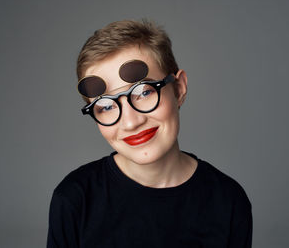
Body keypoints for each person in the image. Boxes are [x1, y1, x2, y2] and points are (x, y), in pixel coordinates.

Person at [47, 20, 252, 248]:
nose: (131, 121)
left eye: (144, 92)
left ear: (179, 88)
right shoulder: (74, 199)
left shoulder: (228, 201)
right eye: (105, 106)